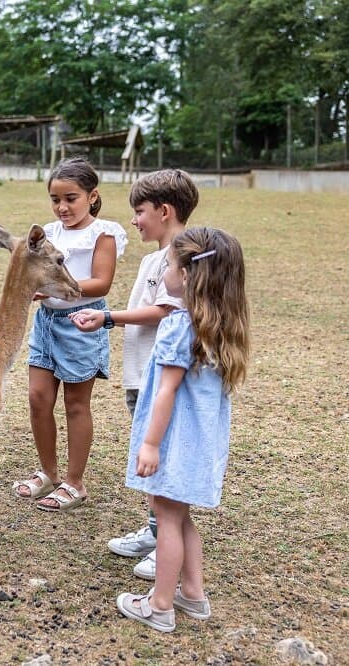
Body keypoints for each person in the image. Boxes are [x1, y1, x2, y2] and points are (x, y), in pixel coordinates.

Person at [115, 227, 250, 632]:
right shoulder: (220, 325)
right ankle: (192, 594)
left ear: (188, 275)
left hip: (173, 441)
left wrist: (150, 444)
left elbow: (166, 392)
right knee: (181, 517)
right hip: (200, 442)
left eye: (169, 267)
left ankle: (158, 605)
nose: (165, 274)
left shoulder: (179, 325)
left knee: (168, 520)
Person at [71, 169, 198, 579]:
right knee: (151, 465)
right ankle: (155, 530)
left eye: (139, 211)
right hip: (142, 378)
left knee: (160, 462)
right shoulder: (152, 258)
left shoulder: (182, 255)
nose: (133, 220)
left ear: (164, 211)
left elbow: (165, 311)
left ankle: (167, 544)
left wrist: (107, 317)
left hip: (161, 380)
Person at [12, 157, 127, 511]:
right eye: (55, 199)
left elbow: (102, 281)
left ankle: (75, 483)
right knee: (37, 398)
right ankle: (49, 472)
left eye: (71, 198)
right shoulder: (48, 233)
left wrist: (53, 288)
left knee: (76, 405)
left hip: (82, 323)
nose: (62, 207)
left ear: (93, 196)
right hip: (46, 323)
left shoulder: (103, 233)